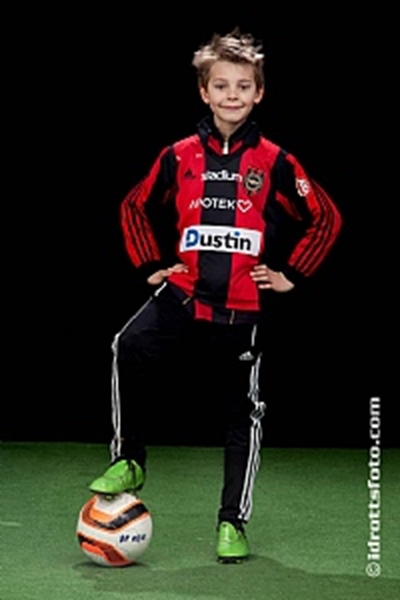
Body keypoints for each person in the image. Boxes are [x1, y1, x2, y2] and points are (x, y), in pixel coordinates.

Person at [89, 28, 342, 563]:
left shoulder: (275, 161)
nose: (232, 95)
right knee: (127, 345)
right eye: (221, 86)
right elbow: (134, 206)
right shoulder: (178, 155)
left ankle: (232, 522)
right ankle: (129, 459)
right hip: (183, 294)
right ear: (204, 92)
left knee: (240, 413)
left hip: (242, 310)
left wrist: (292, 273)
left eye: (243, 86)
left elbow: (325, 217)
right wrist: (153, 265)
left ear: (259, 93)